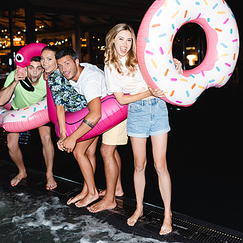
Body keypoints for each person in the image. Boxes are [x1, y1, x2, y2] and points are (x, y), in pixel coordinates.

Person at [104, 23, 178, 235]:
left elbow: (164, 69)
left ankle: (167, 214)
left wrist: (176, 64)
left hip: (158, 109)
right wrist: (147, 93)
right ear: (113, 40)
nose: (125, 44)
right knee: (139, 165)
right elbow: (120, 99)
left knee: (160, 164)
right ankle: (139, 208)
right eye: (121, 39)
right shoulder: (110, 66)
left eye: (129, 39)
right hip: (136, 112)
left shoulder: (141, 57)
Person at [56, 47, 127, 212]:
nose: (63, 69)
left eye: (67, 63)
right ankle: (116, 189)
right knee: (107, 149)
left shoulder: (89, 81)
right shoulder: (77, 71)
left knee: (103, 150)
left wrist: (72, 137)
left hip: (114, 109)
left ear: (76, 62)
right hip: (106, 109)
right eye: (60, 66)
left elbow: (95, 114)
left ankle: (106, 198)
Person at [0, 55, 57, 190]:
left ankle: (49, 174)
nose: (34, 72)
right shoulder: (15, 74)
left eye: (38, 68)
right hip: (18, 110)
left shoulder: (46, 77)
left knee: (46, 137)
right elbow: (0, 101)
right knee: (11, 144)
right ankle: (22, 171)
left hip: (39, 110)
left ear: (43, 69)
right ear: (25, 68)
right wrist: (15, 82)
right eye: (31, 68)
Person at [40, 46, 88, 147]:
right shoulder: (67, 70)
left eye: (49, 59)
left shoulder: (55, 78)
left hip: (81, 116)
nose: (44, 63)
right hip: (90, 107)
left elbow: (60, 107)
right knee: (90, 153)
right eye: (42, 59)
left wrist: (63, 134)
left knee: (79, 153)